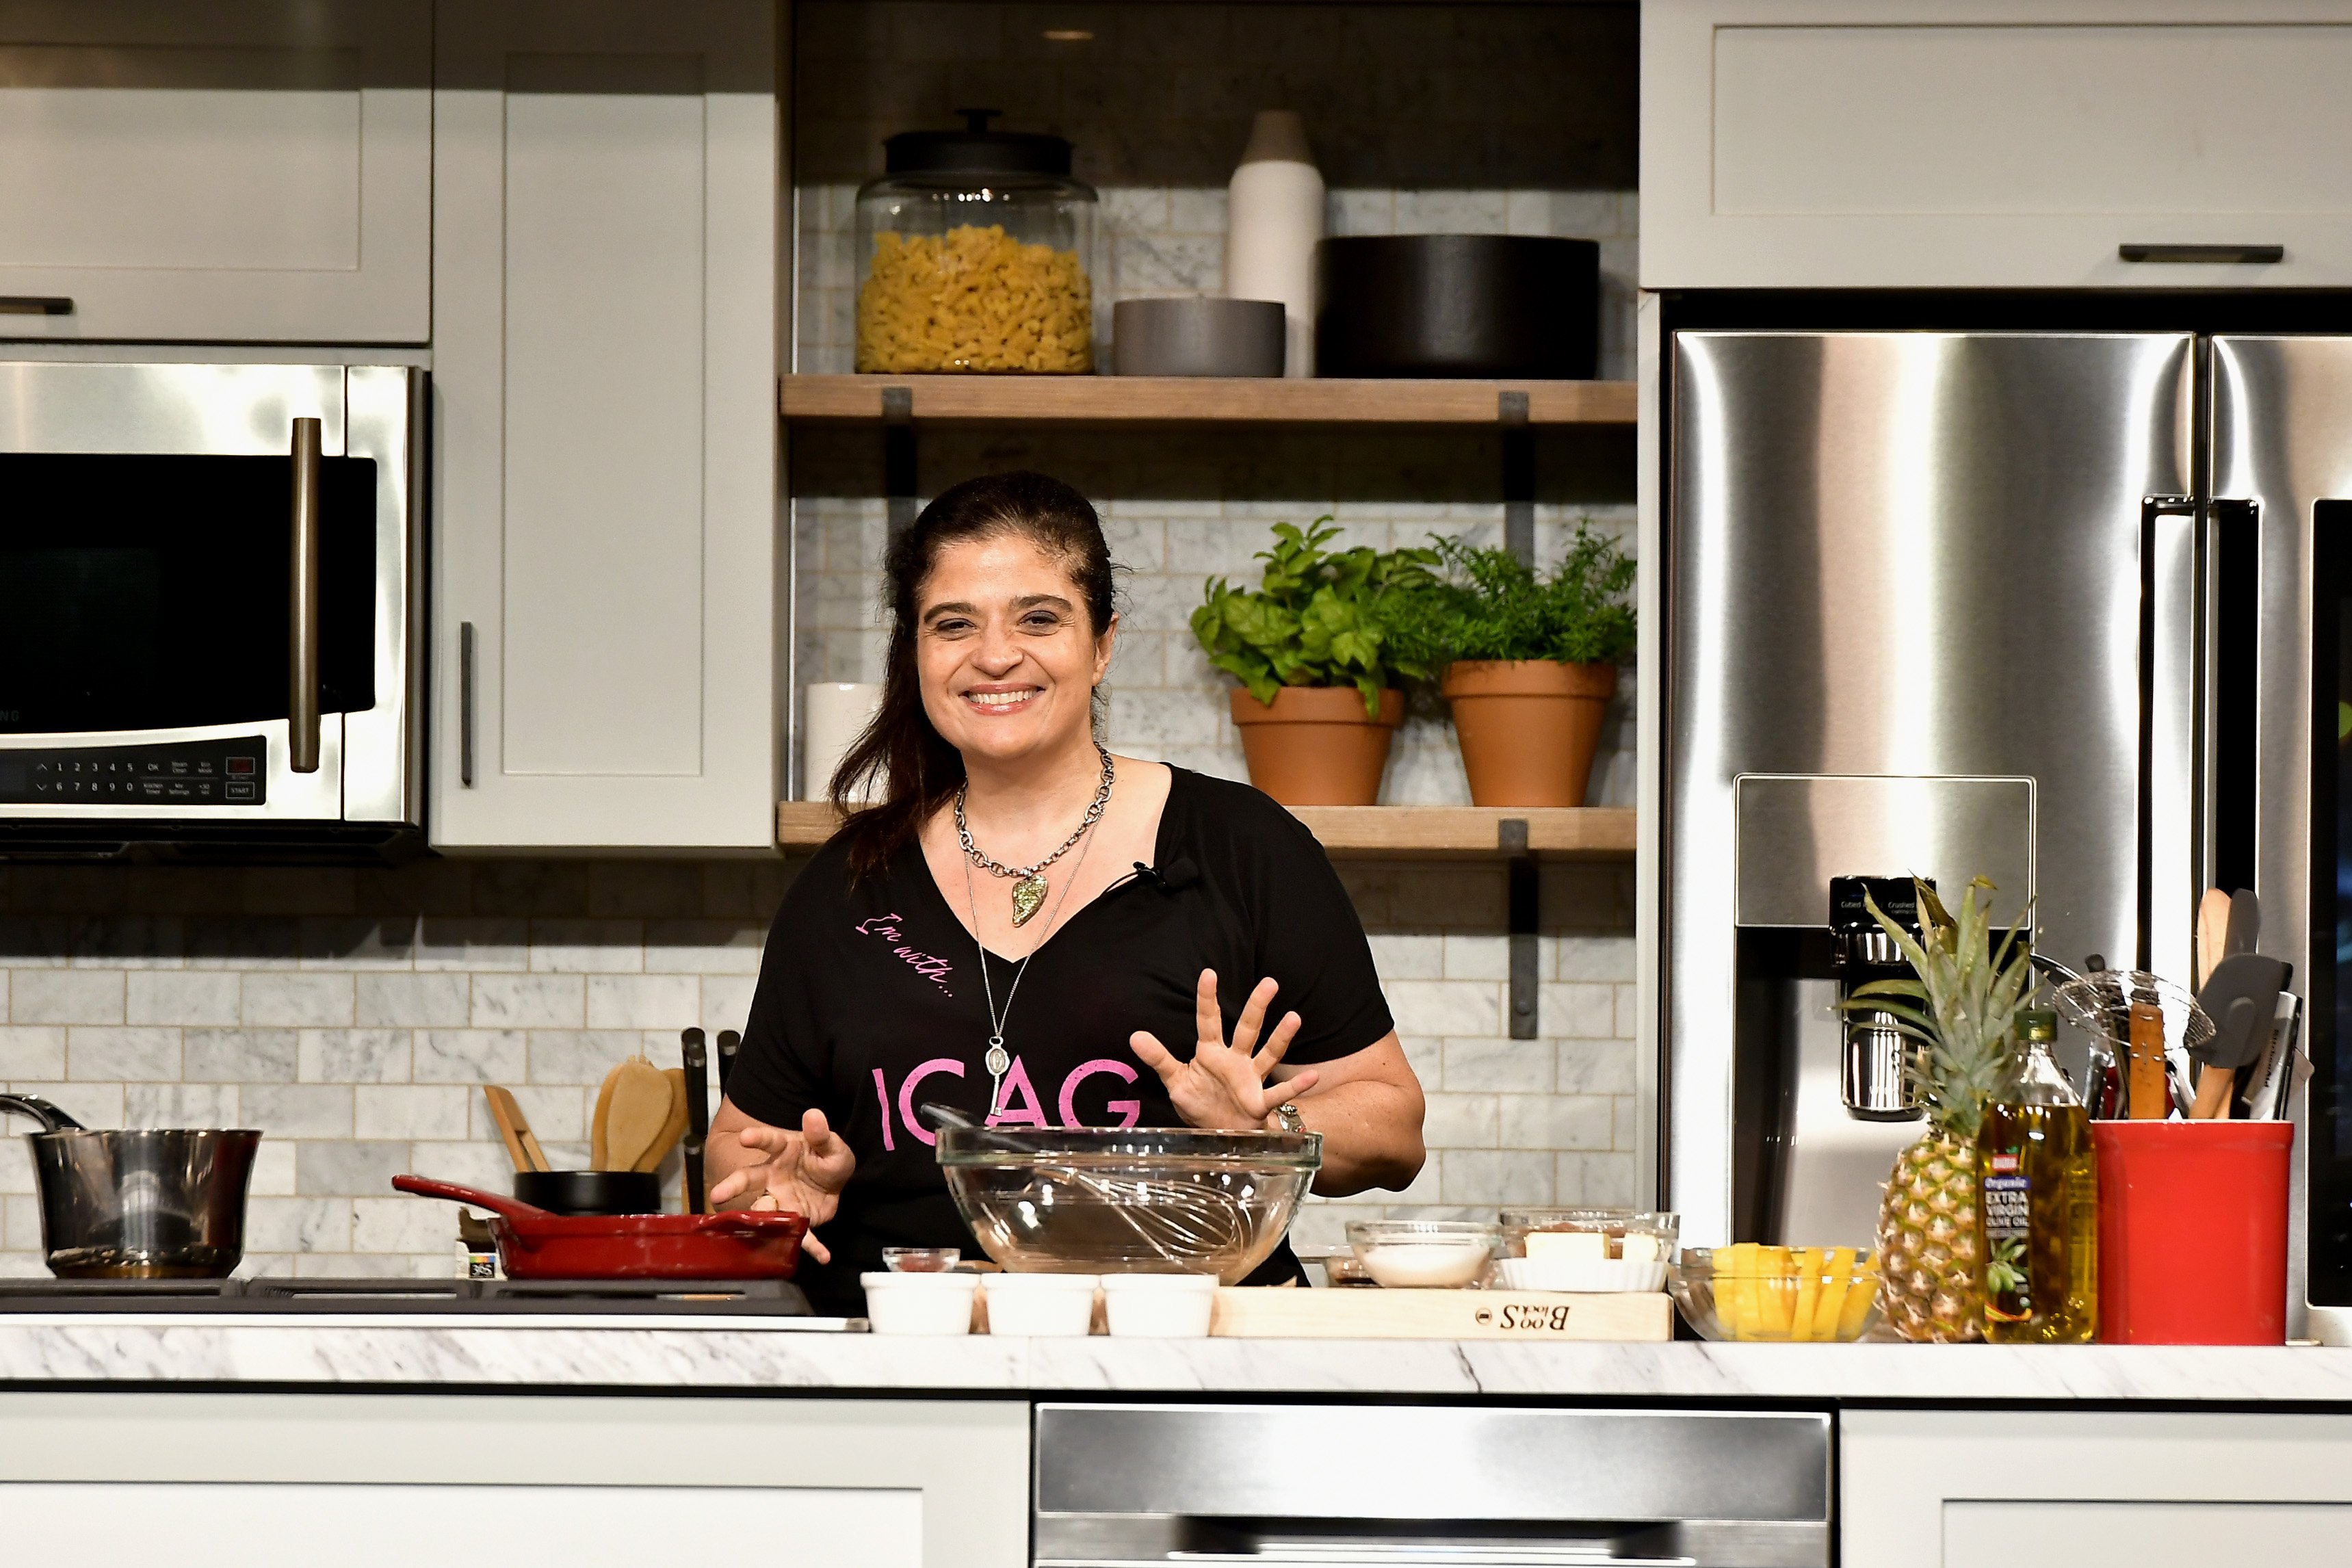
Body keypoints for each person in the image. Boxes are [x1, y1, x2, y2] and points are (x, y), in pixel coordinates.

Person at [708, 471, 1426, 1312]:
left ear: (1103, 642)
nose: (995, 655)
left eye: (1039, 618)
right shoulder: (848, 885)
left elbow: (1395, 1127)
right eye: (953, 625)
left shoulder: (1243, 849)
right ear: (917, 653)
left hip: (1181, 1353)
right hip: (909, 1357)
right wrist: (777, 1191)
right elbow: (738, 1146)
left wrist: (1268, 1136)